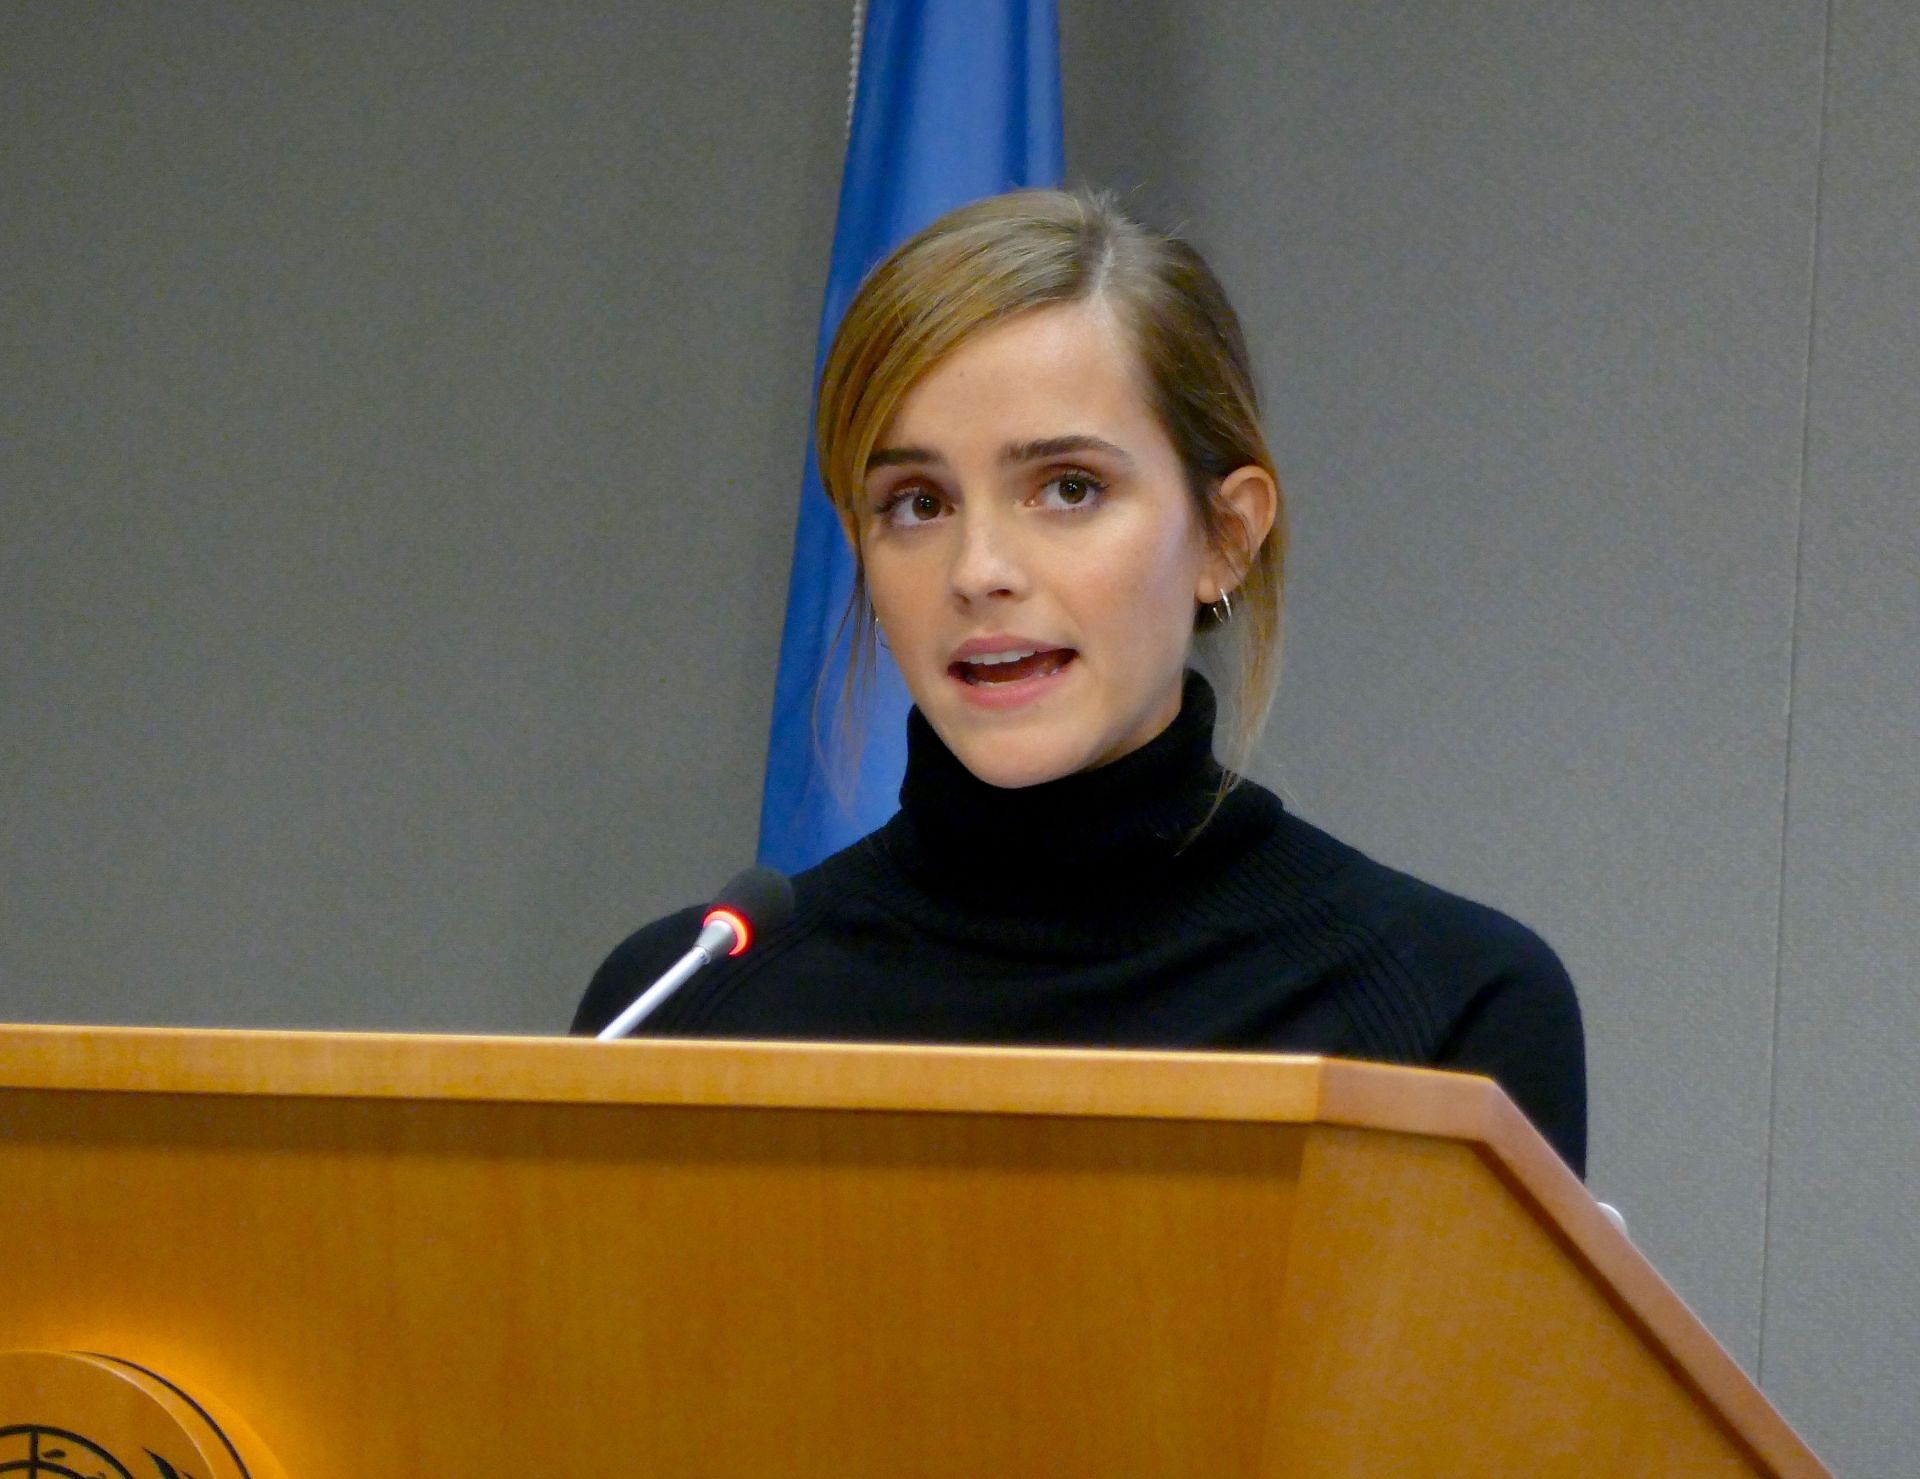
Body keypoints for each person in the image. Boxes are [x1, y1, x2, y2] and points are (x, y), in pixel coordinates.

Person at [573, 189, 1587, 1175]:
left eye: (1068, 488)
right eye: (916, 503)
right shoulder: (686, 1009)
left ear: (1224, 537)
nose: (977, 571)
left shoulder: (1448, 1008)